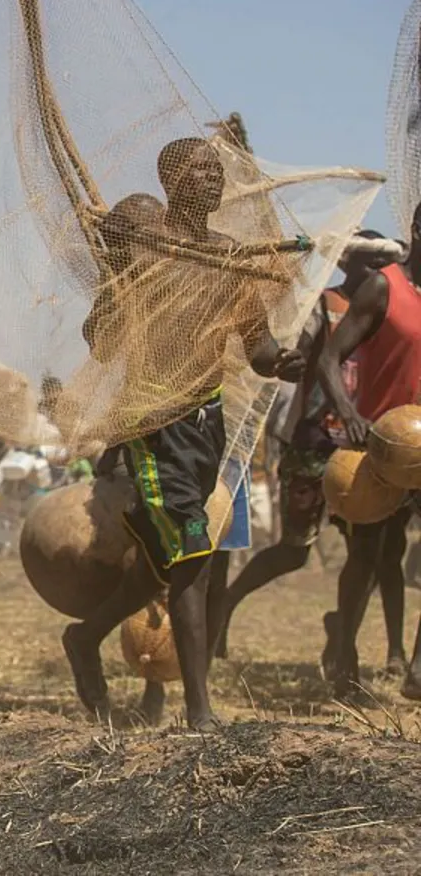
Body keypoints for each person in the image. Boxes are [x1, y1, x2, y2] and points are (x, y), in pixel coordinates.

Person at [64, 138, 301, 731]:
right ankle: (200, 711)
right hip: (151, 424)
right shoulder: (146, 252)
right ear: (169, 179)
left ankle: (85, 637)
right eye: (196, 168)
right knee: (194, 553)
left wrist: (284, 362)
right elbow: (99, 340)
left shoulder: (230, 257)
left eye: (215, 170)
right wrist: (120, 280)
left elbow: (259, 349)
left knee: (157, 568)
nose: (210, 178)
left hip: (206, 423)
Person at [214, 233, 405, 666]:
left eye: (383, 263)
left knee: (368, 553)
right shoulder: (324, 306)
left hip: (367, 450)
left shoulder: (394, 311)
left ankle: (344, 649)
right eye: (369, 262)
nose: (378, 271)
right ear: (348, 264)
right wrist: (292, 364)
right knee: (295, 550)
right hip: (316, 441)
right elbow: (299, 363)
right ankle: (226, 603)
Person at [317, 204, 421, 700]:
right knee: (365, 555)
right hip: (377, 448)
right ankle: (343, 652)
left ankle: (418, 669)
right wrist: (350, 414)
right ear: (417, 230)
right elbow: (329, 359)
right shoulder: (383, 287)